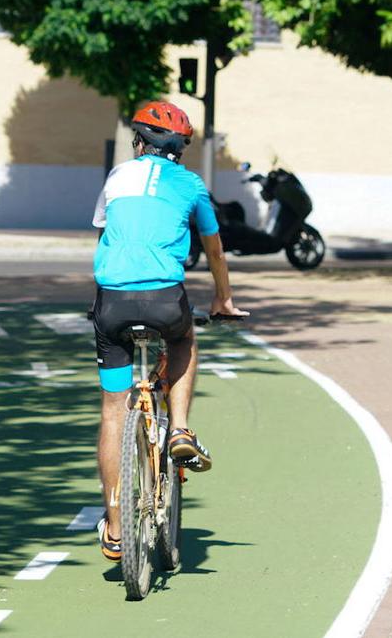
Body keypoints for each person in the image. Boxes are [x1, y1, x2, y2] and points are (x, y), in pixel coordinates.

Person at [90, 100, 248, 562]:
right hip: (164, 298)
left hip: (112, 302)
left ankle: (116, 530)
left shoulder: (117, 177)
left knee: (113, 412)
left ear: (139, 142)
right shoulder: (193, 185)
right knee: (183, 339)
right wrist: (223, 300)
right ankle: (179, 429)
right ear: (179, 148)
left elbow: (104, 234)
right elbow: (215, 251)